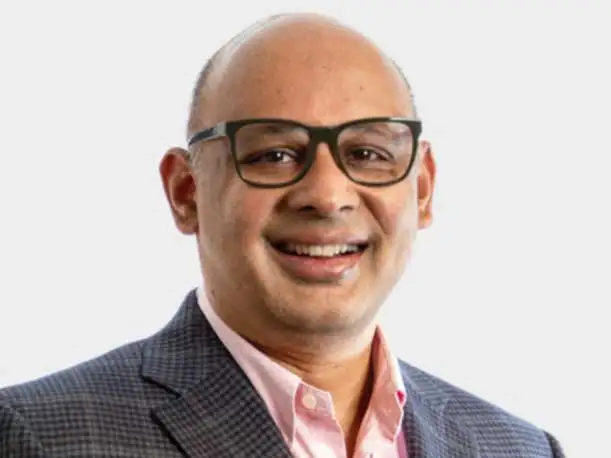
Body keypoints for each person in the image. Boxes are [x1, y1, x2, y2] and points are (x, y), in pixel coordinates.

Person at [0, 13, 564, 458]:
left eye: (368, 153)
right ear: (186, 192)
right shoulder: (39, 437)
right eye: (274, 154)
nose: (327, 195)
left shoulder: (521, 448)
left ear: (422, 190)